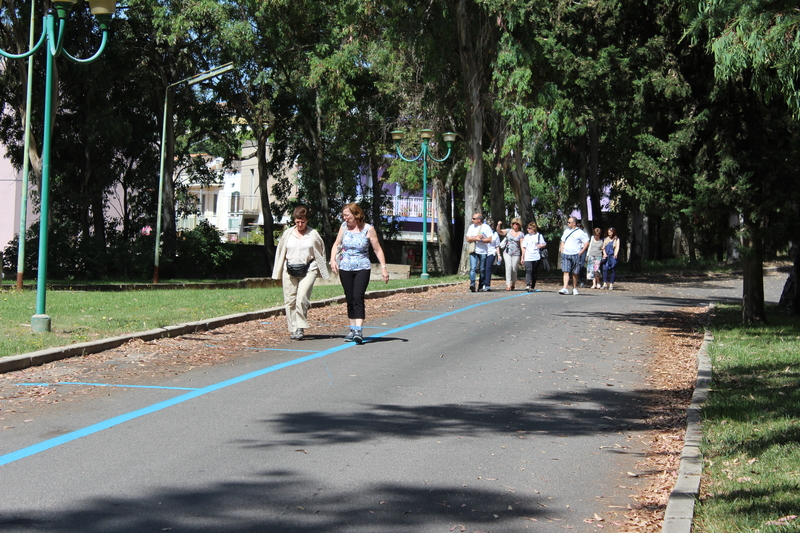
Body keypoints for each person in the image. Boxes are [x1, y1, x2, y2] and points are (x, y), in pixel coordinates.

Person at [329, 203, 390, 344]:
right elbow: (336, 244)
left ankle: (358, 330)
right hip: (345, 267)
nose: (345, 218)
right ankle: (352, 329)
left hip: (362, 267)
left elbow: (377, 250)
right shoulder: (344, 227)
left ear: (356, 215)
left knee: (358, 297)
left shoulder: (368, 229)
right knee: (350, 298)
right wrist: (332, 260)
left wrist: (383, 267)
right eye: (343, 215)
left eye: (347, 215)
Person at [271, 206, 330, 340]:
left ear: (307, 220)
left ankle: (300, 326)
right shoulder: (288, 233)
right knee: (290, 300)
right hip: (289, 268)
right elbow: (280, 252)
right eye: (297, 221)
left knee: (301, 297)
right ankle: (293, 328)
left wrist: (319, 267)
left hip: (309, 268)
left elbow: (320, 252)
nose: (300, 224)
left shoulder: (313, 234)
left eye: (302, 222)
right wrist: (278, 270)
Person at [558, 216, 590, 295]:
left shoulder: (580, 232)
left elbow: (587, 242)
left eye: (569, 222)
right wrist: (562, 251)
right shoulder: (566, 231)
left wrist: (581, 252)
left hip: (575, 254)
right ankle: (565, 288)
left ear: (574, 223)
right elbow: (562, 241)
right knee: (566, 271)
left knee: (575, 272)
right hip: (566, 254)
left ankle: (574, 288)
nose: (568, 224)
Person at [465, 213, 493, 292]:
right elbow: (467, 239)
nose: (472, 220)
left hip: (483, 251)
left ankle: (481, 285)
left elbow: (490, 239)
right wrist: (476, 237)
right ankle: (472, 284)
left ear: (479, 220)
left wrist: (480, 240)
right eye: (472, 218)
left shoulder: (486, 227)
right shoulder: (471, 227)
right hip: (473, 250)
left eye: (474, 218)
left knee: (482, 269)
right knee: (473, 268)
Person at [497, 218, 523, 290]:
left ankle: (513, 283)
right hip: (507, 252)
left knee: (514, 268)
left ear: (519, 225)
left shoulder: (521, 234)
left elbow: (521, 245)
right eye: (513, 223)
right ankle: (508, 284)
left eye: (517, 224)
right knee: (508, 267)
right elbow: (499, 231)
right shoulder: (509, 231)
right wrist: (498, 225)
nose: (515, 225)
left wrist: (523, 255)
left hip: (516, 253)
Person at [520, 222, 547, 292]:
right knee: (529, 270)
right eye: (527, 228)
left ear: (533, 229)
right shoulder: (526, 237)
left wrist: (540, 245)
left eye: (529, 228)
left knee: (534, 271)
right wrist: (522, 257)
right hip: (528, 256)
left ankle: (533, 285)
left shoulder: (539, 236)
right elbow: (524, 247)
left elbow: (544, 244)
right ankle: (528, 284)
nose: (528, 230)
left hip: (536, 256)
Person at [481, 222, 502, 291]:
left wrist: (498, 255)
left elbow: (497, 245)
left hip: (491, 253)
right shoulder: (482, 233)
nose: (489, 227)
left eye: (491, 225)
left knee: (488, 268)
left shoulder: (495, 234)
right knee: (482, 268)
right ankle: (481, 284)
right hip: (482, 252)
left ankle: (487, 285)